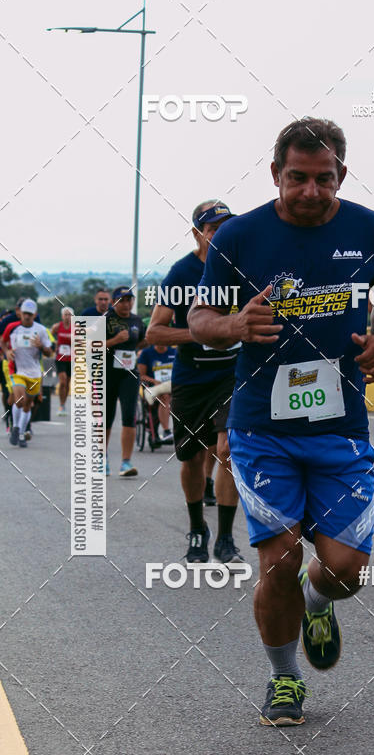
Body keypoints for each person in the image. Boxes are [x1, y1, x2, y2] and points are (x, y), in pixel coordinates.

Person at [188, 117, 374, 727]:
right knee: (279, 558)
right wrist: (235, 325)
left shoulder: (372, 230)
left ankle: (319, 602)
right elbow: (203, 317)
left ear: (342, 172)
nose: (311, 190)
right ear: (275, 173)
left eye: (324, 178)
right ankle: (284, 681)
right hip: (262, 427)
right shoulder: (239, 237)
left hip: (340, 426)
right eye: (297, 178)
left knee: (343, 572)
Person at [146, 201, 243, 564]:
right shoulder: (182, 273)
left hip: (232, 375)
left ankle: (226, 539)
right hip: (191, 378)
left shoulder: (241, 268)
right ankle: (197, 529)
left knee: (228, 450)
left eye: (226, 228)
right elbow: (156, 332)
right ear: (198, 233)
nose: (221, 235)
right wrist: (206, 331)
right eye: (214, 229)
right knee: (191, 457)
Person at [105, 286, 147, 476]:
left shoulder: (136, 320)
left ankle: (126, 463)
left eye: (129, 299)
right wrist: (114, 341)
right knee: (106, 417)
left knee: (129, 416)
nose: (127, 303)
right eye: (122, 300)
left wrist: (137, 346)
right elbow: (88, 345)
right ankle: (101, 459)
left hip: (129, 373)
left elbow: (142, 340)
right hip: (107, 373)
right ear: (114, 302)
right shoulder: (105, 320)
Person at [0, 299, 53, 447]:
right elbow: (3, 342)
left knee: (27, 405)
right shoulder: (12, 328)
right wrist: (7, 352)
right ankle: (16, 428)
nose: (27, 316)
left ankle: (22, 433)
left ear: (35, 314)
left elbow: (49, 352)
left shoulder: (41, 330)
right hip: (17, 370)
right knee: (20, 399)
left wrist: (41, 346)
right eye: (25, 314)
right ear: (20, 313)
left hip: (35, 372)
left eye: (30, 314)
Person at [137, 342, 176, 442]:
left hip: (173, 387)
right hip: (153, 387)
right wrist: (154, 381)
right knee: (165, 396)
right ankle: (166, 431)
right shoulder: (146, 353)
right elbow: (141, 376)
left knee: (168, 395)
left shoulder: (174, 352)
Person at [51, 306, 73, 415]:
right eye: (66, 314)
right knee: (63, 381)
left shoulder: (76, 327)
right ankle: (61, 405)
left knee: (67, 382)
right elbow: (49, 337)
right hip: (60, 358)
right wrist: (54, 345)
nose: (68, 317)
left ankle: (63, 404)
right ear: (62, 316)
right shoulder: (57, 326)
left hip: (71, 358)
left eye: (70, 315)